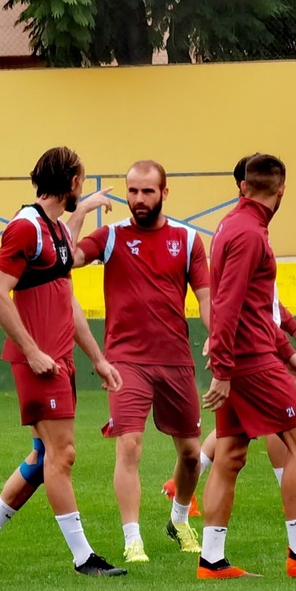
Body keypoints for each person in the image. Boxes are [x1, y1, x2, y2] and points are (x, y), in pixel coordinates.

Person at [0, 146, 126, 577]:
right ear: (70, 183)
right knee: (62, 454)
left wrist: (98, 360)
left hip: (60, 360)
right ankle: (84, 558)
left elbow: (67, 300)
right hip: (39, 363)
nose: (82, 189)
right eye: (81, 183)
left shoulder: (54, 230)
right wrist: (32, 352)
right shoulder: (24, 228)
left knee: (41, 458)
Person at [199, 153, 296, 580]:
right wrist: (225, 370)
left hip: (248, 354)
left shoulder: (231, 224)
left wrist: (286, 350)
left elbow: (250, 303)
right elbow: (227, 304)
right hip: (249, 360)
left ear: (244, 187)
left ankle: (212, 561)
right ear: (281, 191)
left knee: (228, 453)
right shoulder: (250, 235)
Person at [65, 159, 208, 564]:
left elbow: (206, 296)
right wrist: (80, 210)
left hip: (176, 360)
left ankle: (179, 520)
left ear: (165, 192)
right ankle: (133, 539)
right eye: (132, 191)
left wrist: (217, 335)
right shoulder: (110, 236)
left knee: (192, 454)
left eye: (147, 191)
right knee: (129, 446)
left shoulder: (188, 239)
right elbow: (69, 258)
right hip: (126, 361)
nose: (138, 199)